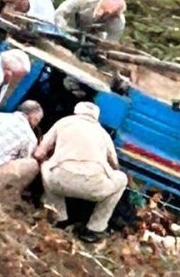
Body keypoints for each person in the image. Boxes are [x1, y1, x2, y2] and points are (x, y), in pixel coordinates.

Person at [34, 101, 128, 243]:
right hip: (94, 187)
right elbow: (115, 165)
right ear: (96, 117)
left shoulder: (63, 122)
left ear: (75, 111)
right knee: (122, 179)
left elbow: (39, 153)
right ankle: (95, 229)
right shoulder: (104, 134)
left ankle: (58, 217)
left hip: (60, 182)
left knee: (46, 167)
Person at [54, 0, 127, 42]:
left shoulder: (119, 22)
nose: (101, 13)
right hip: (70, 21)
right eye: (102, 8)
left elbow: (111, 42)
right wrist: (63, 29)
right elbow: (60, 13)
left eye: (107, 13)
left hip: (93, 34)